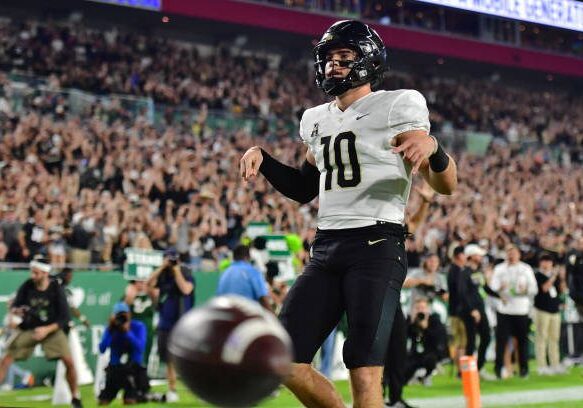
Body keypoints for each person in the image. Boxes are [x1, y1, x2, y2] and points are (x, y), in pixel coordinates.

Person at [240, 20, 457, 408]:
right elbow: (304, 188)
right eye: (328, 59)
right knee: (284, 358)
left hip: (376, 245)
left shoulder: (397, 105)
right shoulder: (316, 118)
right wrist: (265, 160)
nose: (333, 66)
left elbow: (446, 186)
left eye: (344, 58)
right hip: (326, 248)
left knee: (362, 368)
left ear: (368, 61)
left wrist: (434, 148)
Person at [0, 256, 82, 408]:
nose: (33, 276)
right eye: (32, 272)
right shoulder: (27, 286)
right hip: (30, 329)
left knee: (69, 362)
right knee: (5, 360)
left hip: (52, 330)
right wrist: (14, 314)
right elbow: (16, 307)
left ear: (45, 273)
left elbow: (64, 318)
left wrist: (46, 330)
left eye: (36, 273)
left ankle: (75, 397)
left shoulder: (56, 289)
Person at [146, 248, 194, 403]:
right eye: (168, 259)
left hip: (183, 322)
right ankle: (172, 390)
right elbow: (148, 285)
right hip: (166, 322)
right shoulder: (163, 275)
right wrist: (161, 268)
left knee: (188, 358)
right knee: (168, 359)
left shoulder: (186, 272)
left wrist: (176, 270)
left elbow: (185, 289)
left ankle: (198, 388)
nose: (171, 261)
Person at [490, 244, 538, 379]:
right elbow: (492, 287)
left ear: (519, 254)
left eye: (514, 252)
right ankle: (498, 369)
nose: (511, 255)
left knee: (522, 342)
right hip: (504, 310)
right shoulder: (500, 269)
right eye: (509, 252)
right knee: (501, 342)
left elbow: (534, 289)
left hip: (521, 309)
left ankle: (524, 369)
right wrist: (500, 287)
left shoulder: (525, 269)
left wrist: (526, 289)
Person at [98, 302, 148, 405]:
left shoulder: (138, 326)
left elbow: (140, 348)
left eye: (124, 315)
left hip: (133, 370)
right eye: (118, 315)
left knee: (130, 401)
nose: (121, 318)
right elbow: (102, 348)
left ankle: (135, 394)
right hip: (115, 370)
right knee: (103, 402)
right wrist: (110, 330)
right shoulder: (111, 329)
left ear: (129, 314)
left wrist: (127, 332)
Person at [463, 244, 493, 379]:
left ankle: (478, 368)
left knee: (486, 337)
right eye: (478, 255)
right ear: (471, 255)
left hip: (481, 309)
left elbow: (485, 288)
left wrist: (500, 296)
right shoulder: (464, 272)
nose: (481, 257)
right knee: (471, 342)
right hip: (471, 311)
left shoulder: (478, 272)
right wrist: (472, 309)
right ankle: (467, 372)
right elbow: (463, 293)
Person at [533, 253, 566, 375]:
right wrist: (553, 276)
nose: (546, 264)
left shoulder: (555, 276)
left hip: (555, 310)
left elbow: (561, 290)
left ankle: (555, 364)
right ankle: (542, 366)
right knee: (542, 338)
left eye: (548, 261)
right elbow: (545, 288)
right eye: (544, 261)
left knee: (554, 338)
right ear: (540, 263)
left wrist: (561, 278)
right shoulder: (538, 275)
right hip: (542, 310)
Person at [404, 298, 448, 385]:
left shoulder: (435, 320)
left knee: (430, 359)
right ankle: (411, 377)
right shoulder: (412, 321)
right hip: (415, 354)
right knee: (406, 366)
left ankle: (426, 376)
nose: (421, 310)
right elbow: (404, 336)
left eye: (423, 308)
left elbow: (439, 340)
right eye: (418, 308)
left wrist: (426, 328)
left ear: (428, 309)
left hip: (430, 353)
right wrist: (411, 323)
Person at [216, 244, 272, 310]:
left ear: (233, 257)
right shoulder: (252, 272)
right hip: (246, 315)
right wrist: (273, 318)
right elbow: (263, 298)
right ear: (247, 257)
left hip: (226, 314)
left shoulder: (224, 273)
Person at [124, 279, 155, 368]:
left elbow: (156, 301)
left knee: (146, 353)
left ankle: (143, 374)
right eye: (139, 282)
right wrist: (130, 296)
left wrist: (150, 288)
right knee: (133, 353)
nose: (142, 284)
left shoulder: (149, 295)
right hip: (134, 330)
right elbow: (125, 308)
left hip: (147, 329)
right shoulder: (130, 295)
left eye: (143, 281)